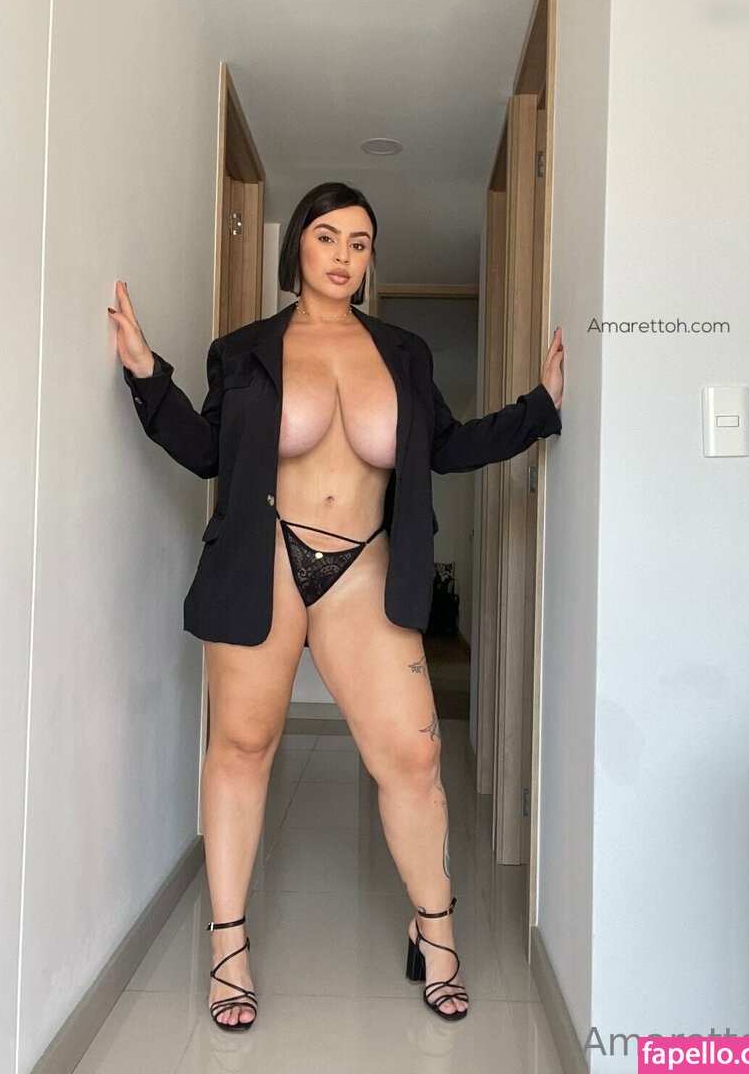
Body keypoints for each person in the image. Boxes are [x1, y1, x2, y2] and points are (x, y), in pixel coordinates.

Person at [110, 181, 565, 1031]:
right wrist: (145, 373)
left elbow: (447, 445)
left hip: (364, 568)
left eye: (359, 242)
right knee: (241, 750)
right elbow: (208, 451)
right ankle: (229, 948)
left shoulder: (404, 353)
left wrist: (537, 411)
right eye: (327, 237)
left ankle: (435, 930)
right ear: (299, 248)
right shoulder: (243, 351)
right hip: (264, 558)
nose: (343, 256)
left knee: (415, 760)